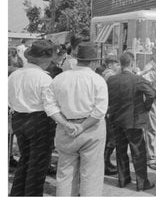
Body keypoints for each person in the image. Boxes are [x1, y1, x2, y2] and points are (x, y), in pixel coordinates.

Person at [8, 40, 75, 196]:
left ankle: (17, 194)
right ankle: (32, 195)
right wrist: (65, 123)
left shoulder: (14, 75)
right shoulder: (44, 78)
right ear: (44, 60)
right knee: (37, 165)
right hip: (39, 121)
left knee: (25, 160)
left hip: (19, 118)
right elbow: (50, 107)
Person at [47, 42, 109, 196]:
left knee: (65, 173)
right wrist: (82, 127)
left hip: (66, 127)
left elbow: (50, 105)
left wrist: (65, 124)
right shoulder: (97, 80)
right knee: (91, 174)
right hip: (91, 129)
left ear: (76, 58)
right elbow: (100, 111)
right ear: (94, 62)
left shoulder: (60, 78)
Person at [107, 52, 156, 191]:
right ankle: (142, 182)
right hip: (133, 120)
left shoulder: (112, 79)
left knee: (121, 150)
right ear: (132, 63)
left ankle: (123, 179)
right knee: (138, 151)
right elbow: (151, 94)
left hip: (116, 119)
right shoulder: (137, 79)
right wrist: (146, 107)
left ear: (120, 64)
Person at [101, 54, 120, 175]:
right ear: (110, 65)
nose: (118, 66)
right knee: (111, 138)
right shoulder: (110, 75)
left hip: (107, 108)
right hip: (109, 109)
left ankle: (106, 162)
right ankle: (105, 164)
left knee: (110, 138)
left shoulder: (106, 74)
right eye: (117, 64)